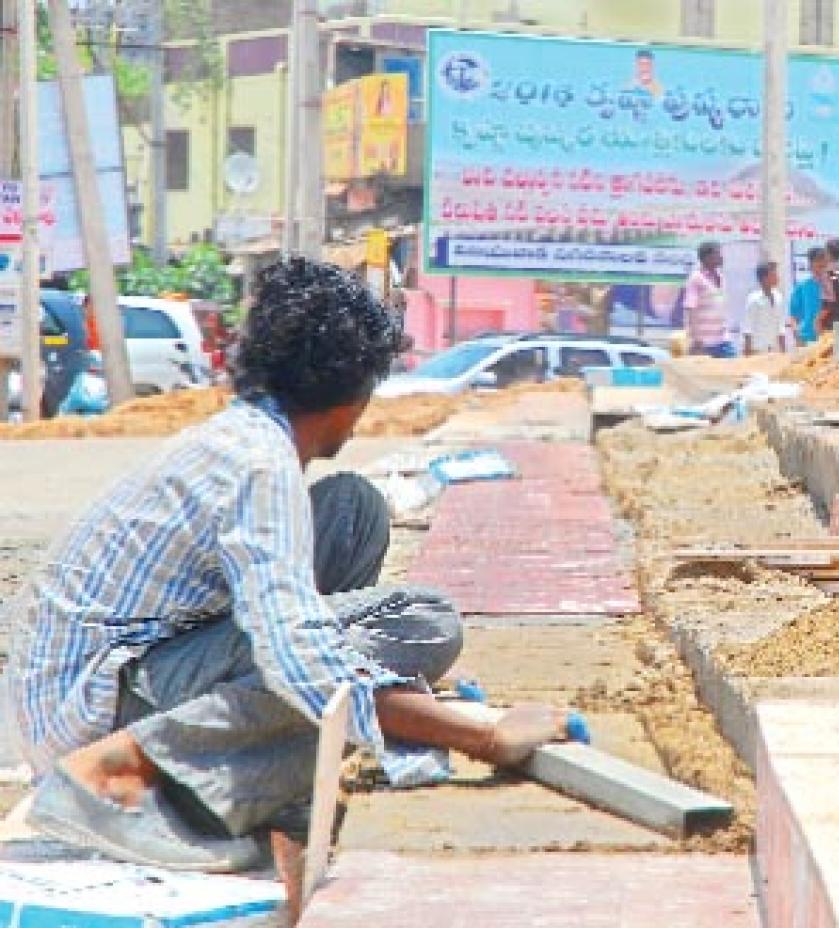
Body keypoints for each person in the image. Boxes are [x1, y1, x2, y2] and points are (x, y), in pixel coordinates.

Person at [8, 257, 569, 874]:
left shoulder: (248, 434)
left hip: (110, 674)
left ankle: (296, 739)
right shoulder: (260, 466)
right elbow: (295, 656)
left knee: (351, 510)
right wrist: (479, 736)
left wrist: (393, 690)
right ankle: (124, 787)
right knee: (424, 622)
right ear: (351, 394)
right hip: (92, 716)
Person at [682, 241, 733, 357]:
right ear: (707, 257)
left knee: (733, 371)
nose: (721, 257)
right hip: (704, 343)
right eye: (718, 253)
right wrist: (696, 339)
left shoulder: (721, 277)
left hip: (723, 338)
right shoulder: (696, 278)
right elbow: (691, 309)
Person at [743, 260, 787, 355]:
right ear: (764, 278)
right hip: (758, 351)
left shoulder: (779, 297)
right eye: (773, 274)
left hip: (775, 350)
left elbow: (781, 326)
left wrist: (783, 351)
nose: (777, 277)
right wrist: (747, 354)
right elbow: (747, 328)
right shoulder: (754, 299)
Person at [790, 247, 828, 346]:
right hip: (806, 339)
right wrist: (797, 335)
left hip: (827, 339)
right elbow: (793, 316)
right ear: (810, 264)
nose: (822, 266)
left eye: (823, 262)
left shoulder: (832, 287)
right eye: (818, 262)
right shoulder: (801, 287)